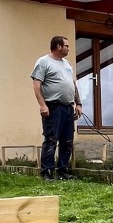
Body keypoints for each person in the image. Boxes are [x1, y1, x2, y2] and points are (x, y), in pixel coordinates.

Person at [31, 36, 83, 181]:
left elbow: (72, 84)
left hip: (68, 107)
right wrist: (42, 105)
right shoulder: (43, 62)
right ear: (59, 46)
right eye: (66, 46)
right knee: (51, 139)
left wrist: (78, 103)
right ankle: (46, 172)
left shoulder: (67, 64)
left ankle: (63, 170)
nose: (68, 48)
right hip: (53, 107)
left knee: (67, 141)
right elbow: (36, 84)